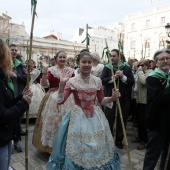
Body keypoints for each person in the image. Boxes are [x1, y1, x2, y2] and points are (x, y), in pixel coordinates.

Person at [46, 51, 121, 170]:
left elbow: (101, 100)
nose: (87, 65)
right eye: (84, 62)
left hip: (95, 117)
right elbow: (60, 100)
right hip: (78, 118)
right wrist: (61, 84)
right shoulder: (72, 81)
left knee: (98, 147)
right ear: (78, 63)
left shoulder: (97, 80)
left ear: (93, 63)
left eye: (89, 62)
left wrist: (112, 98)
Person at [32, 51, 75, 153]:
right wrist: (45, 69)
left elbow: (74, 84)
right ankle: (52, 147)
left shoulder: (71, 71)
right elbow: (44, 84)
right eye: (60, 57)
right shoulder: (51, 70)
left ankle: (67, 145)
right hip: (54, 98)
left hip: (68, 97)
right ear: (56, 58)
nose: (62, 59)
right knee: (53, 120)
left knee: (67, 120)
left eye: (64, 57)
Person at [0, 39, 32, 170]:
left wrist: (21, 97)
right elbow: (3, 114)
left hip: (5, 135)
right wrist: (23, 103)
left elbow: (6, 103)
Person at [101, 49, 134, 149]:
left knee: (121, 119)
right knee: (109, 119)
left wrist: (123, 76)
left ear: (119, 57)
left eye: (114, 56)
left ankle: (119, 140)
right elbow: (103, 81)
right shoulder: (107, 68)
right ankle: (108, 139)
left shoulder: (127, 68)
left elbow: (131, 82)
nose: (112, 58)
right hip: (110, 98)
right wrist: (114, 77)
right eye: (111, 56)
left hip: (123, 98)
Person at [143, 49, 170, 170]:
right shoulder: (152, 78)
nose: (166, 61)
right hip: (157, 122)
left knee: (168, 154)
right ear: (156, 63)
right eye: (162, 59)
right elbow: (159, 98)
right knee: (152, 155)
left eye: (168, 58)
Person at [9, 44, 27, 152]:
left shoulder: (20, 65)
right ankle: (10, 141)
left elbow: (26, 78)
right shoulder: (4, 63)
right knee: (9, 118)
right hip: (8, 95)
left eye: (16, 50)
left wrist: (16, 76)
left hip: (19, 94)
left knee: (18, 119)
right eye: (12, 50)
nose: (14, 51)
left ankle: (17, 141)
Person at [132, 59, 152, 150]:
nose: (140, 66)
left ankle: (145, 141)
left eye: (142, 65)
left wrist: (139, 72)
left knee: (143, 122)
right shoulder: (140, 72)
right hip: (138, 100)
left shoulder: (150, 72)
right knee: (139, 121)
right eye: (139, 65)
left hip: (144, 101)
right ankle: (140, 137)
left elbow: (144, 82)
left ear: (147, 66)